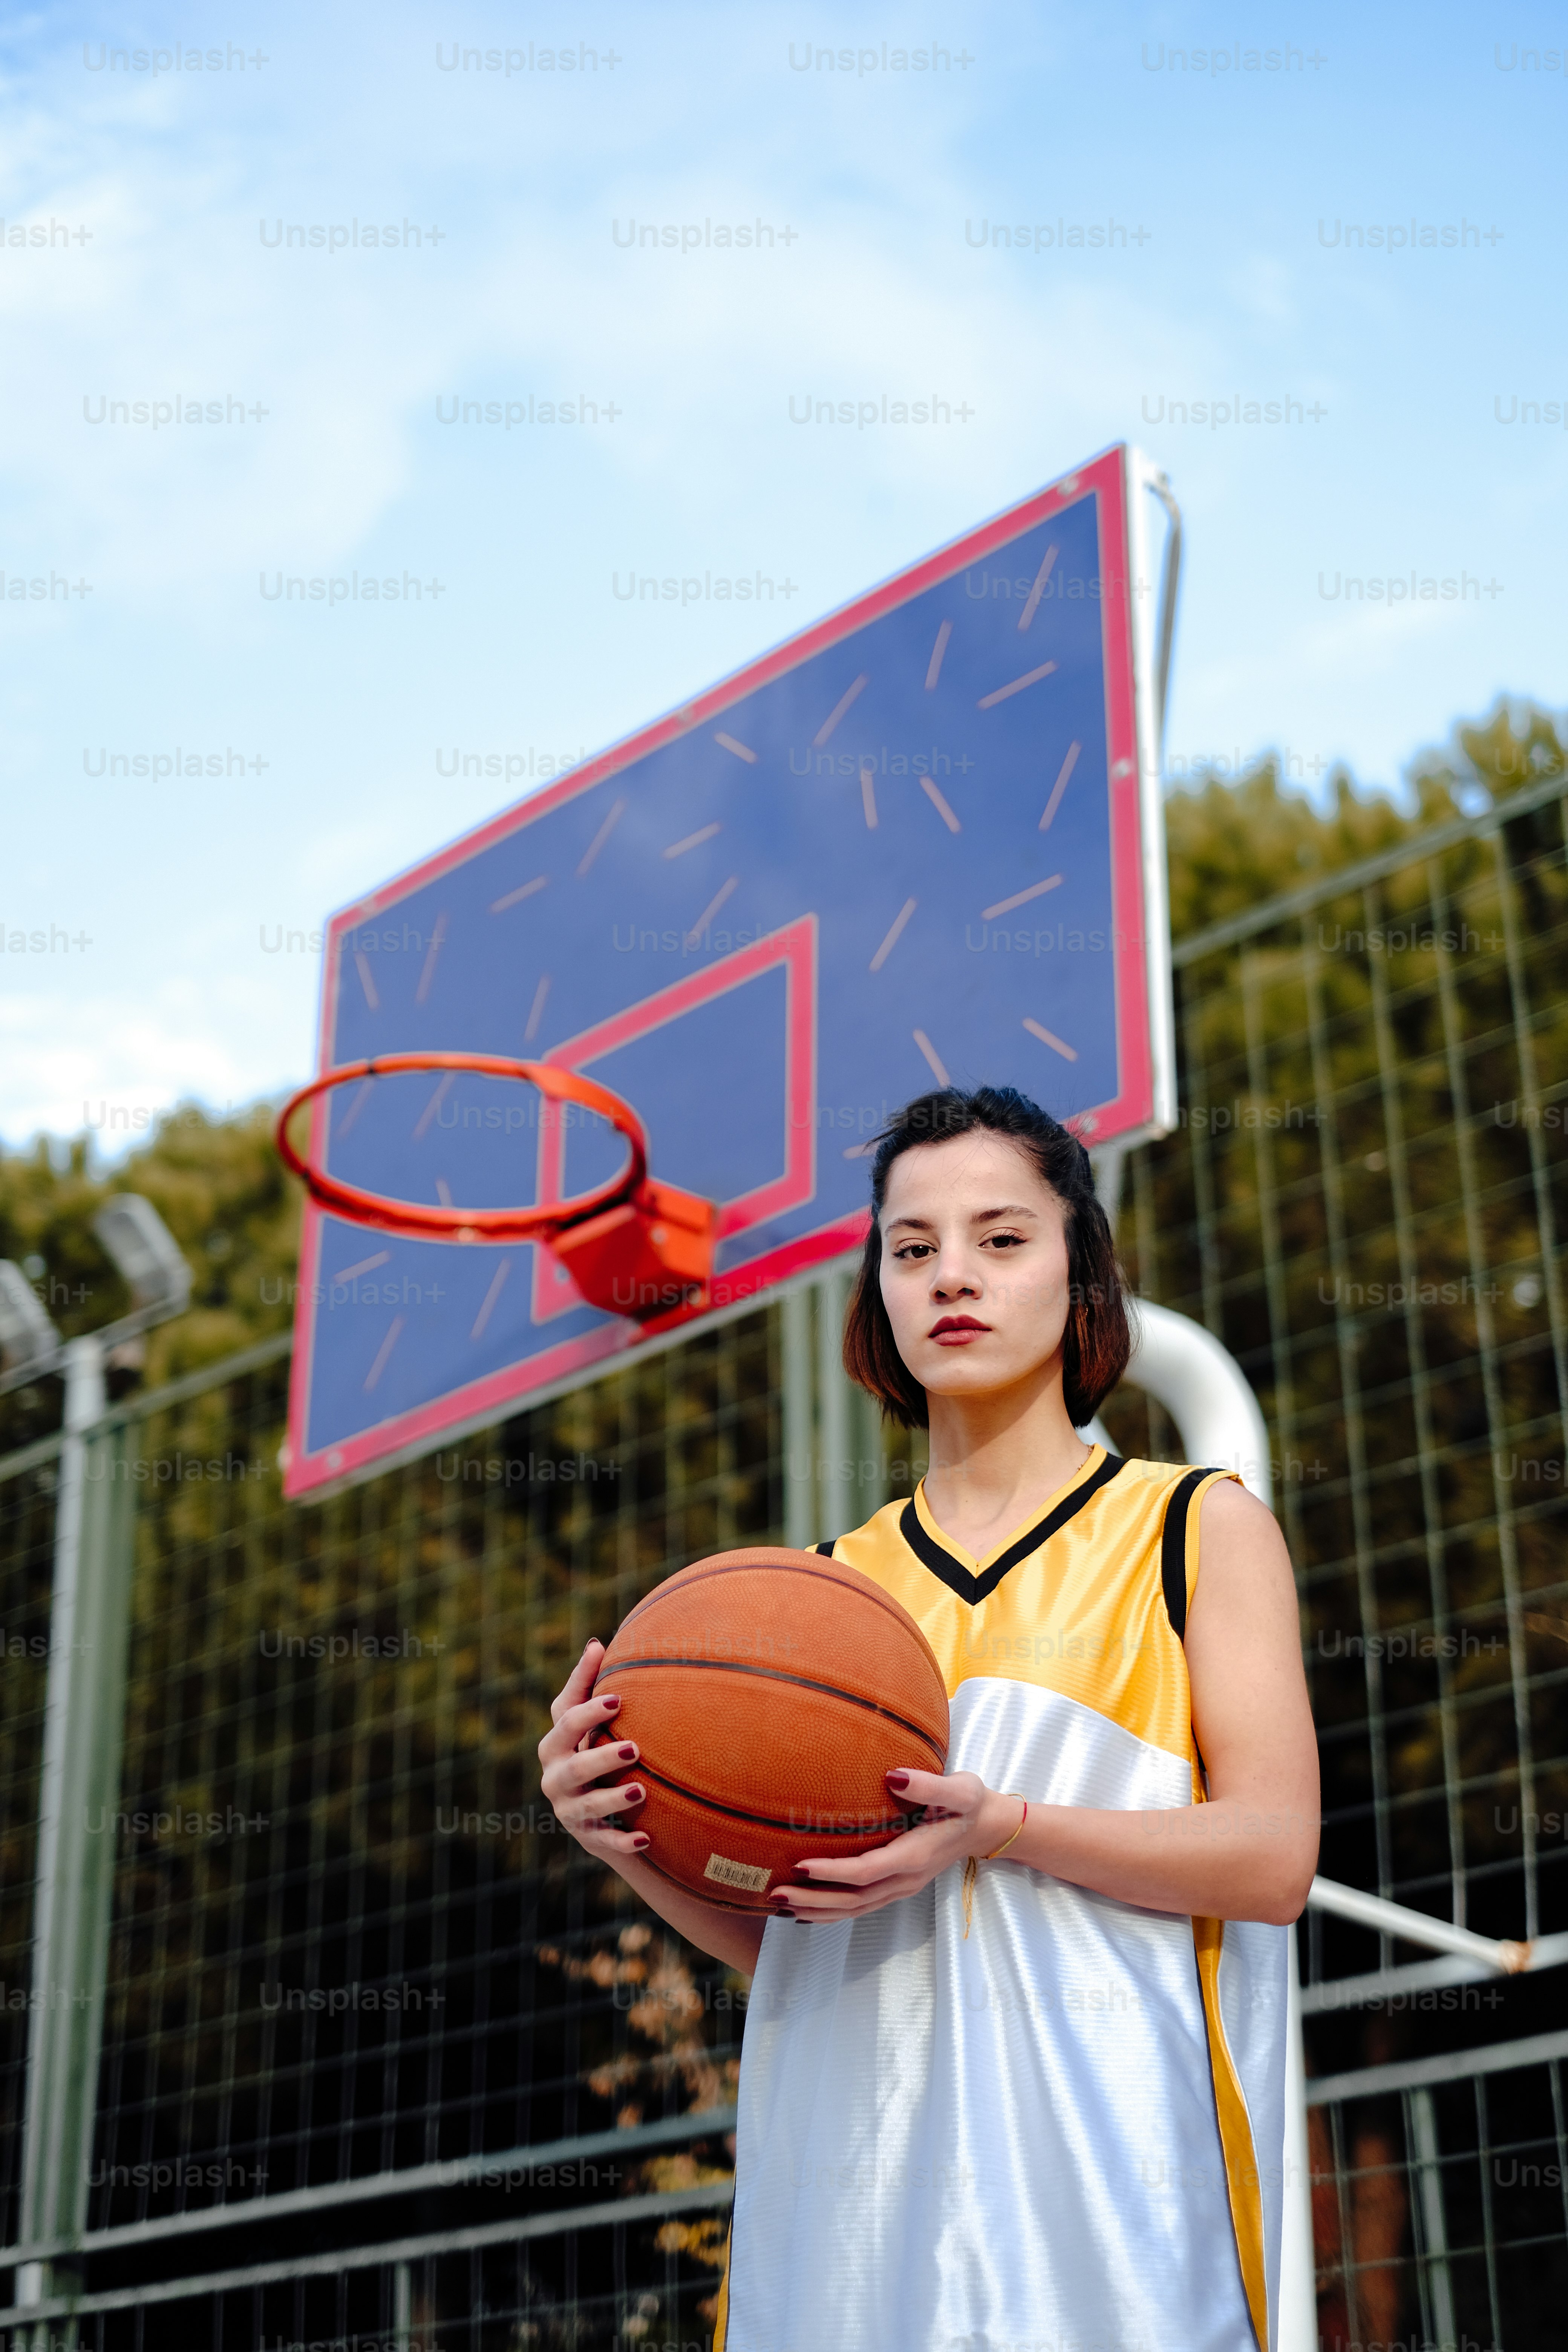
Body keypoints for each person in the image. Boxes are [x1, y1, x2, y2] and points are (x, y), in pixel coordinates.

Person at [539, 1084, 1318, 2352]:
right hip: (847, 2220)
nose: (953, 1275)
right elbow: (803, 1944)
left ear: (1083, 1275)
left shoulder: (1193, 1526)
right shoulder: (810, 1602)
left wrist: (1002, 1826)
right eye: (913, 1249)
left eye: (1003, 1239)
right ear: (879, 1293)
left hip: (1113, 2224)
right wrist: (626, 1838)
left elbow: (1275, 1857)